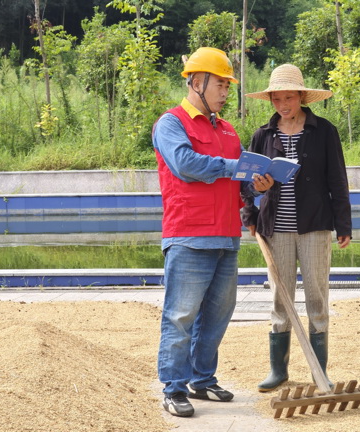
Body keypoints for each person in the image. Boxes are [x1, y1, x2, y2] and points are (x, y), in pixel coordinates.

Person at [152, 47, 251, 417]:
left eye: (228, 85)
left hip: (227, 236)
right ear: (197, 81)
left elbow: (238, 180)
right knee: (181, 316)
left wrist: (257, 182)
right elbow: (185, 164)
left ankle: (202, 380)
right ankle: (174, 387)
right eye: (221, 84)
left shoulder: (227, 129)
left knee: (217, 316)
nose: (226, 92)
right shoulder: (171, 123)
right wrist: (234, 167)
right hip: (189, 235)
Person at [242, 63, 352, 392]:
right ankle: (279, 370)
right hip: (276, 228)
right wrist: (251, 207)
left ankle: (321, 372)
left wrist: (342, 222)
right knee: (281, 298)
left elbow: (337, 180)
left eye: (288, 98)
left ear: (302, 97)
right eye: (276, 99)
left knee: (317, 297)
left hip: (316, 225)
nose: (283, 105)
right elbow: (247, 184)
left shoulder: (324, 131)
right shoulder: (263, 134)